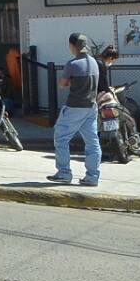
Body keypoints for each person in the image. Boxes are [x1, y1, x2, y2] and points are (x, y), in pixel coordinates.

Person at [48, 33, 102, 187]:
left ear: (72, 45)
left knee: (61, 138)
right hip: (91, 107)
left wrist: (71, 81)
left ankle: (64, 173)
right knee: (92, 142)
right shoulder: (94, 63)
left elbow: (62, 84)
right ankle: (92, 177)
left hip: (74, 107)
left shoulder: (72, 64)